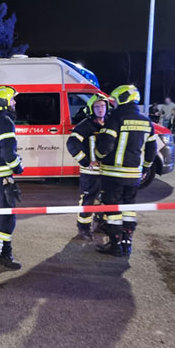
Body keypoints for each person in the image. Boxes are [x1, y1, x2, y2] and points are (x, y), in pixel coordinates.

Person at [94, 85, 157, 257]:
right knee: (128, 208)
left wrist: (98, 155)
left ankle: (115, 245)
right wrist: (145, 167)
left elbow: (105, 145)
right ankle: (127, 243)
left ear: (122, 98)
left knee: (113, 210)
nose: (113, 104)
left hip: (113, 174)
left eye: (114, 100)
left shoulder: (115, 118)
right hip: (134, 175)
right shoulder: (146, 121)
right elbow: (152, 149)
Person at [0, 85, 24, 270]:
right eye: (12, 99)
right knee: (8, 214)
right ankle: (3, 253)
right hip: (2, 174)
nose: (14, 102)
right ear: (4, 102)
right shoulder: (6, 121)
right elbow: (8, 152)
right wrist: (18, 167)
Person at [66, 94, 109, 241]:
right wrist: (86, 161)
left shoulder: (110, 123)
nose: (100, 109)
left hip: (107, 171)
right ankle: (83, 228)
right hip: (90, 171)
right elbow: (72, 143)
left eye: (102, 106)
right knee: (88, 199)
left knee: (105, 198)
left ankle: (101, 223)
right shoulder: (86, 125)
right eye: (96, 107)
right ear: (92, 109)